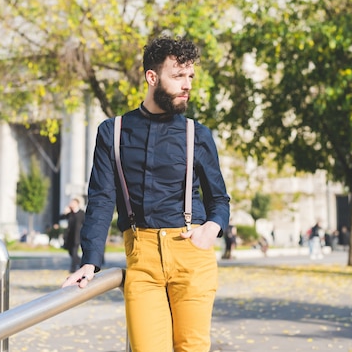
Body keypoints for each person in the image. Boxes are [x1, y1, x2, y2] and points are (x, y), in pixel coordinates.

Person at [62, 36, 231, 352]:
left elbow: (218, 199)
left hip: (191, 254)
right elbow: (101, 197)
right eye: (178, 76)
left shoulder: (198, 134)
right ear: (152, 78)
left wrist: (213, 227)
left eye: (190, 76)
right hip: (142, 258)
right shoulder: (113, 131)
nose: (187, 85)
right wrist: (90, 261)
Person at [61, 197, 85, 272]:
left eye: (73, 202)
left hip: (77, 236)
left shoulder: (81, 213)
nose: (71, 204)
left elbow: (85, 223)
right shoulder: (70, 213)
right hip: (69, 236)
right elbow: (61, 218)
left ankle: (73, 269)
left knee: (74, 252)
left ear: (77, 204)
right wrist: (65, 212)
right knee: (71, 252)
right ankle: (82, 263)